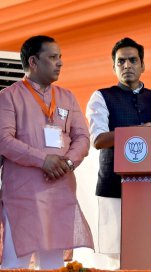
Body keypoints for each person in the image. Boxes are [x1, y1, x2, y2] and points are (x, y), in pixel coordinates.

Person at [0, 35, 93, 269]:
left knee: (53, 265)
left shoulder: (66, 96)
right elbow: (4, 140)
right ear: (33, 62)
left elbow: (82, 137)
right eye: (53, 57)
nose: (60, 62)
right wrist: (44, 160)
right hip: (23, 194)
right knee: (15, 263)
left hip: (59, 190)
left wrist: (67, 163)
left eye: (60, 57)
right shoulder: (8, 97)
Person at [86, 37, 151, 269]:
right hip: (114, 186)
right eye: (121, 61)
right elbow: (98, 140)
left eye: (133, 60)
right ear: (114, 67)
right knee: (117, 257)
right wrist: (137, 133)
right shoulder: (101, 97)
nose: (127, 66)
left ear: (143, 65)